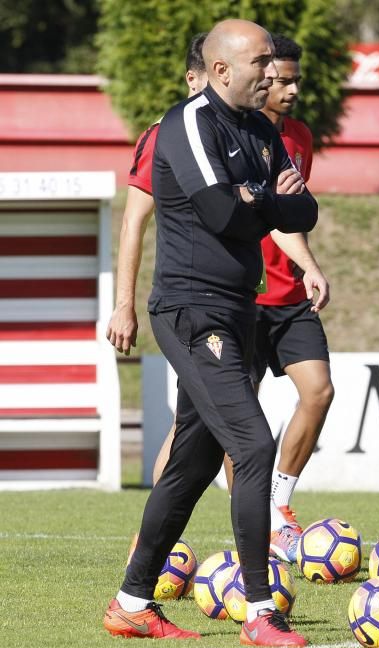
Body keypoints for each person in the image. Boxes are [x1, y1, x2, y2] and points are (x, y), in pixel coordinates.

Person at [102, 19, 317, 648]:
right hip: (191, 311)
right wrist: (264, 198)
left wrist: (259, 200)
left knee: (191, 465)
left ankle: (132, 602)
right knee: (252, 446)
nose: (271, 73)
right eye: (260, 63)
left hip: (236, 311)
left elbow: (304, 210)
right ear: (222, 70)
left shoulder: (258, 127)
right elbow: (221, 211)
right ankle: (259, 613)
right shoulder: (190, 122)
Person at [106, 34, 208, 483]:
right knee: (237, 425)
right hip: (190, 304)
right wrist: (124, 305)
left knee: (196, 423)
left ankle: (153, 544)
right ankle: (261, 535)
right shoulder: (164, 137)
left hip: (239, 301)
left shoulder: (244, 133)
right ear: (194, 78)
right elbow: (133, 223)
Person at [252, 34, 333, 564]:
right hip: (244, 296)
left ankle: (278, 508)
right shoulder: (237, 136)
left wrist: (307, 267)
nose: (293, 88)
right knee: (239, 419)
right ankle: (255, 518)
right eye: (283, 79)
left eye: (296, 79)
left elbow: (289, 216)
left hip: (290, 297)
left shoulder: (300, 136)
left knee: (319, 391)